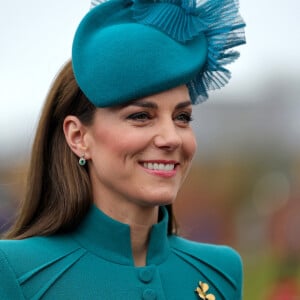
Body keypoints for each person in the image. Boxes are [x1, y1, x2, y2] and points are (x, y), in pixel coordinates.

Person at [0, 0, 246, 298]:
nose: (171, 138)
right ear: (78, 137)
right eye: (141, 116)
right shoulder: (15, 271)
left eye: (182, 117)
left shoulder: (221, 272)